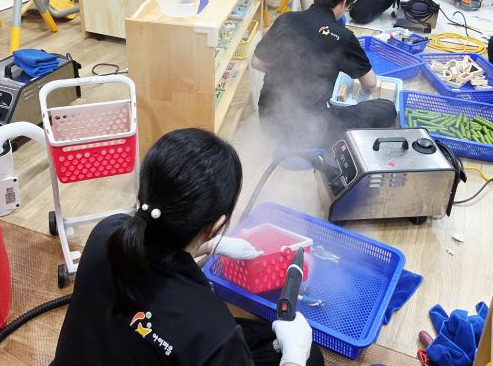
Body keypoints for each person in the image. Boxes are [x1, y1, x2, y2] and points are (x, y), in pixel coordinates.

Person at [52, 128, 323, 366]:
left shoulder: (107, 231)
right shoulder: (210, 328)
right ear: (216, 224)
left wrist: (210, 244)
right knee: (308, 356)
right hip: (193, 341)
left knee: (261, 340)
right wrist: (294, 357)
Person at [252, 0, 397, 147]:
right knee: (386, 109)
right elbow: (370, 83)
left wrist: (289, 72)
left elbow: (256, 62)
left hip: (268, 120)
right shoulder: (343, 37)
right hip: (309, 131)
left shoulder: (285, 19)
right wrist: (362, 94)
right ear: (344, 2)